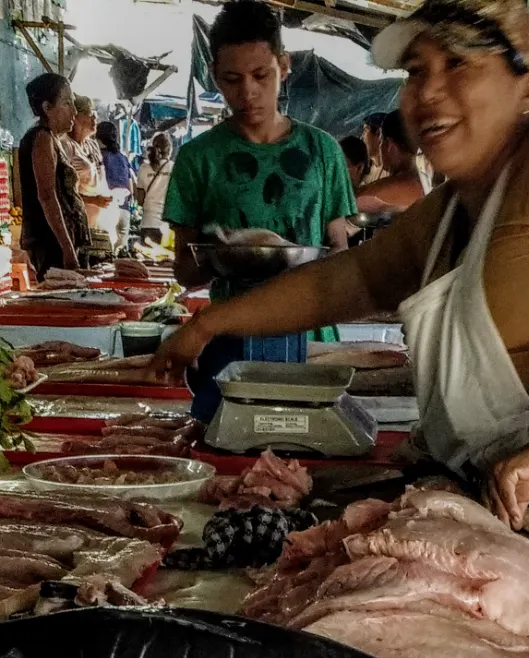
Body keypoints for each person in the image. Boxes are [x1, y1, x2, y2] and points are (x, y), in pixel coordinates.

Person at [154, 0, 529, 658]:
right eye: (418, 69)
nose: (430, 92)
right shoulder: (453, 210)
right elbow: (346, 282)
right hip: (528, 504)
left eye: (459, 65)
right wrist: (209, 322)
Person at [162, 0, 356, 409]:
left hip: (311, 336)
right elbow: (184, 271)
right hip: (229, 338)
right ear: (215, 75)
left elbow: (339, 252)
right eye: (232, 79)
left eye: (260, 75)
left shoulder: (322, 151)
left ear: (284, 67)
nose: (247, 92)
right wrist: (226, 254)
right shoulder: (198, 158)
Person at [18, 73, 89, 278]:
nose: (74, 112)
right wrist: (67, 249)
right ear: (47, 108)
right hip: (51, 244)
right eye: (67, 104)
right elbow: (47, 196)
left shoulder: (52, 139)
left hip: (58, 242)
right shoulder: (42, 139)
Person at [353, 109, 425, 217]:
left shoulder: (411, 183)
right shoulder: (431, 179)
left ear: (389, 145)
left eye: (381, 141)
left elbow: (350, 204)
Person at [135, 131, 176, 244]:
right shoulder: (174, 168)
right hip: (168, 225)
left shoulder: (144, 169)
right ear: (170, 150)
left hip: (148, 223)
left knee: (146, 260)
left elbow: (139, 200)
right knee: (166, 260)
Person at [361, 111, 390, 178]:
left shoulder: (393, 171)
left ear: (378, 133)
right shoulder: (363, 173)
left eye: (365, 131)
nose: (362, 137)